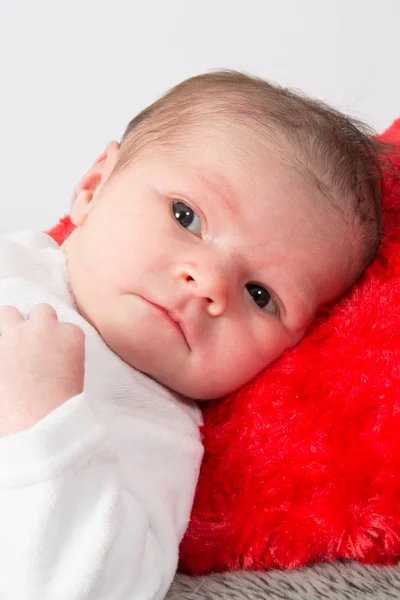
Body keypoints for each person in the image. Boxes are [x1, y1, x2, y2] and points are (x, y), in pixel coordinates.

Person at [0, 71, 384, 598]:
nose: (209, 283)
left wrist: (41, 427)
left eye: (260, 295)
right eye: (187, 217)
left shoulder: (156, 430)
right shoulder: (14, 259)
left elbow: (101, 585)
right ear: (93, 188)